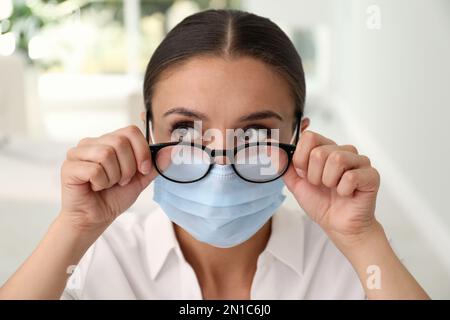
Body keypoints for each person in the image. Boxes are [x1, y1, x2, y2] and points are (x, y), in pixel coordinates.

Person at [0, 9, 429, 300]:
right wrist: (73, 227)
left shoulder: (346, 262)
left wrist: (362, 239)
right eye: (186, 129)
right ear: (148, 129)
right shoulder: (100, 257)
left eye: (257, 132)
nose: (221, 166)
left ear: (298, 138)